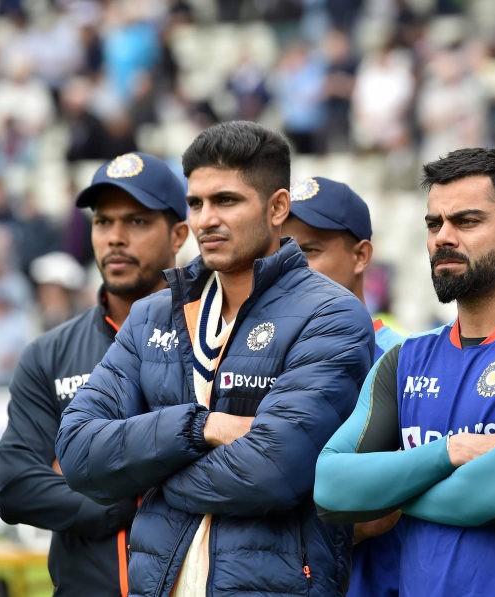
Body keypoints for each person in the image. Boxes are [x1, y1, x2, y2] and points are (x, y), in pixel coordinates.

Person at [55, 121, 375, 596]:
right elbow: (78, 451)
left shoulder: (331, 314)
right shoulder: (152, 315)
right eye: (196, 203)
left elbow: (272, 471)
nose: (205, 219)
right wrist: (199, 428)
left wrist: (145, 475)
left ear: (277, 208)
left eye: (226, 200)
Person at [314, 148, 495, 596]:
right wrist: (449, 453)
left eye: (467, 222)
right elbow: (331, 485)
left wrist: (384, 492)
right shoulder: (404, 357)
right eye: (435, 224)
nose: (443, 237)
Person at [0, 151, 189, 595]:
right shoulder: (49, 353)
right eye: (103, 222)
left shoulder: (215, 339)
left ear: (178, 233)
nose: (115, 238)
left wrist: (83, 473)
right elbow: (16, 486)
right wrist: (128, 500)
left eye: (137, 221)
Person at [281, 176, 404, 597]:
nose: (290, 265)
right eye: (280, 249)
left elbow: (385, 510)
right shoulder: (251, 358)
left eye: (309, 250)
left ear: (360, 256)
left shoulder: (400, 359)